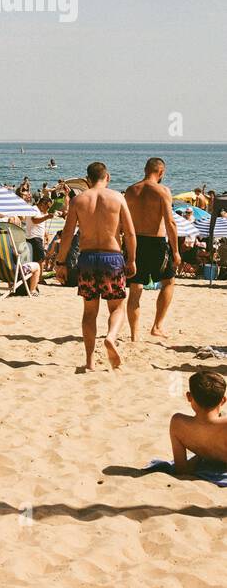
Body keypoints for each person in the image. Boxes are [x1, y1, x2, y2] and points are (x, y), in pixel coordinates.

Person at [58, 162, 137, 371]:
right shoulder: (118, 198)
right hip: (112, 258)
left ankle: (90, 362)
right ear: (107, 177)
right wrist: (132, 260)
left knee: (89, 312)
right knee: (117, 306)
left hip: (87, 258)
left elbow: (67, 234)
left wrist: (60, 262)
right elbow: (130, 233)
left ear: (88, 180)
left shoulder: (78, 201)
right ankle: (111, 337)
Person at [123, 157, 180, 341]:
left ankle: (134, 335)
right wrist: (176, 250)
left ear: (145, 169)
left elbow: (122, 220)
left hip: (134, 242)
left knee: (135, 288)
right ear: (161, 172)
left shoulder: (131, 190)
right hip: (156, 243)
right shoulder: (162, 191)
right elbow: (170, 223)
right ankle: (157, 326)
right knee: (168, 282)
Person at [169, 370, 227, 473]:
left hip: (205, 460)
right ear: (223, 400)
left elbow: (181, 469)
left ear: (189, 397)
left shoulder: (177, 422)